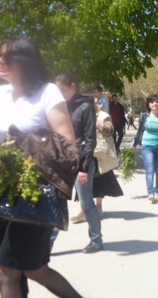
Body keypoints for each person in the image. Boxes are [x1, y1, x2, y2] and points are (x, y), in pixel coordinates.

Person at [0, 37, 82, 298]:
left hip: (36, 191)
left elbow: (67, 142)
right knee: (36, 270)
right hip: (6, 189)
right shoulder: (1, 93)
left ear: (24, 61)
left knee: (5, 271)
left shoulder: (47, 92)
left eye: (6, 56)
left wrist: (23, 144)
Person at [55, 74, 101, 254]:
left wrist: (84, 167)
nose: (60, 94)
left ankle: (96, 240)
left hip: (81, 161)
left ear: (73, 86)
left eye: (63, 90)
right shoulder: (61, 106)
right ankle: (47, 245)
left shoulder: (85, 106)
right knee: (56, 202)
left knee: (86, 203)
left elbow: (90, 139)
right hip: (63, 161)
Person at [132, 94, 158, 203]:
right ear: (148, 104)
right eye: (152, 102)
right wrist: (134, 144)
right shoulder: (144, 116)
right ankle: (150, 192)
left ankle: (157, 191)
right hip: (147, 145)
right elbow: (139, 131)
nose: (154, 103)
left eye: (156, 101)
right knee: (150, 169)